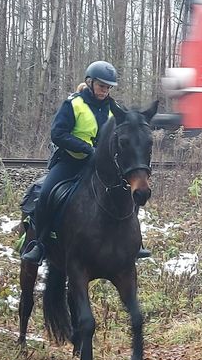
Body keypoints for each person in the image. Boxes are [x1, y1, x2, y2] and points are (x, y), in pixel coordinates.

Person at [21, 61, 151, 265]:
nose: (105, 91)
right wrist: (86, 148)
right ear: (89, 83)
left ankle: (136, 242)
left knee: (128, 193)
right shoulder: (73, 104)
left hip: (102, 168)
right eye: (101, 86)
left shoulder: (114, 109)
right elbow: (58, 133)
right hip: (71, 162)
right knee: (46, 192)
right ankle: (39, 243)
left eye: (108, 88)